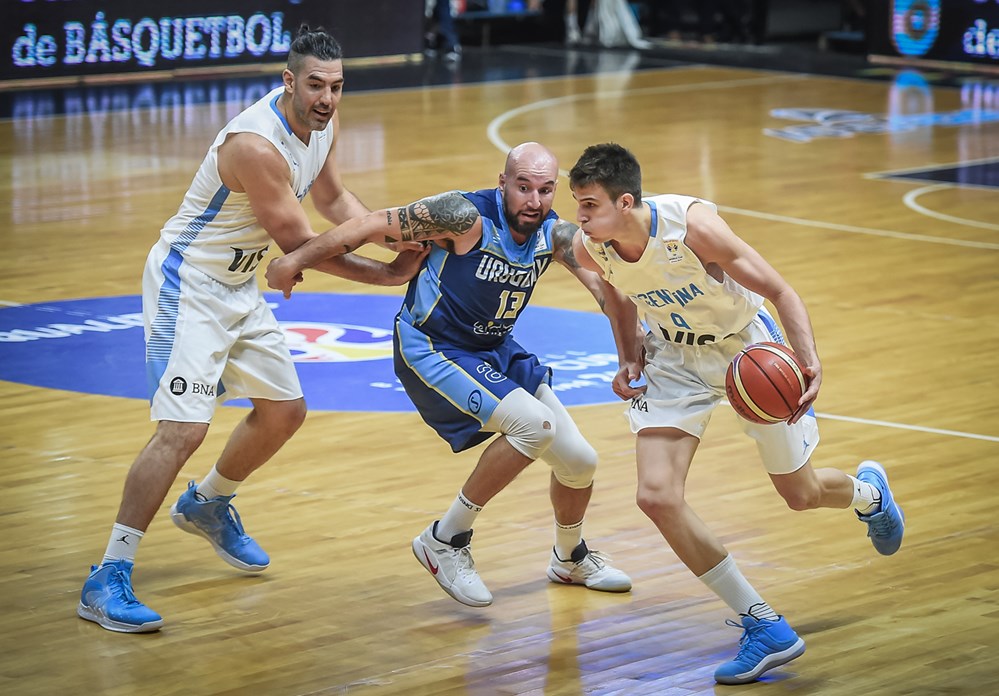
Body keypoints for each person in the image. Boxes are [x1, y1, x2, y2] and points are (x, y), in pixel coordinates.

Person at [77, 26, 427, 634]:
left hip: (238, 284)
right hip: (190, 282)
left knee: (284, 413)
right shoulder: (255, 146)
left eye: (336, 86)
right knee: (182, 430)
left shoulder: (322, 124)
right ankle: (107, 574)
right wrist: (389, 273)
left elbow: (335, 202)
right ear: (288, 81)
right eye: (314, 84)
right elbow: (300, 247)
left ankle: (208, 502)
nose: (326, 98)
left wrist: (398, 232)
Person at [565, 143, 905, 684]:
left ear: (624, 202)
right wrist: (628, 354)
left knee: (801, 494)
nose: (578, 217)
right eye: (577, 204)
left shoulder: (693, 228)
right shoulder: (592, 246)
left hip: (746, 353)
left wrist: (809, 359)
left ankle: (869, 495)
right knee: (655, 495)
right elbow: (620, 294)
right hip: (673, 359)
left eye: (588, 205)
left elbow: (779, 289)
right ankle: (763, 624)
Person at [266, 142, 633, 607]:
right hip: (432, 344)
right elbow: (368, 225)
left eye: (544, 190)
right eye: (523, 188)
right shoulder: (462, 216)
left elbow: (607, 290)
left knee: (580, 461)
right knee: (533, 426)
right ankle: (446, 538)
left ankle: (569, 557)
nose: (534, 202)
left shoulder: (555, 235)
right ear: (503, 184)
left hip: (491, 348)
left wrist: (631, 352)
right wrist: (294, 261)